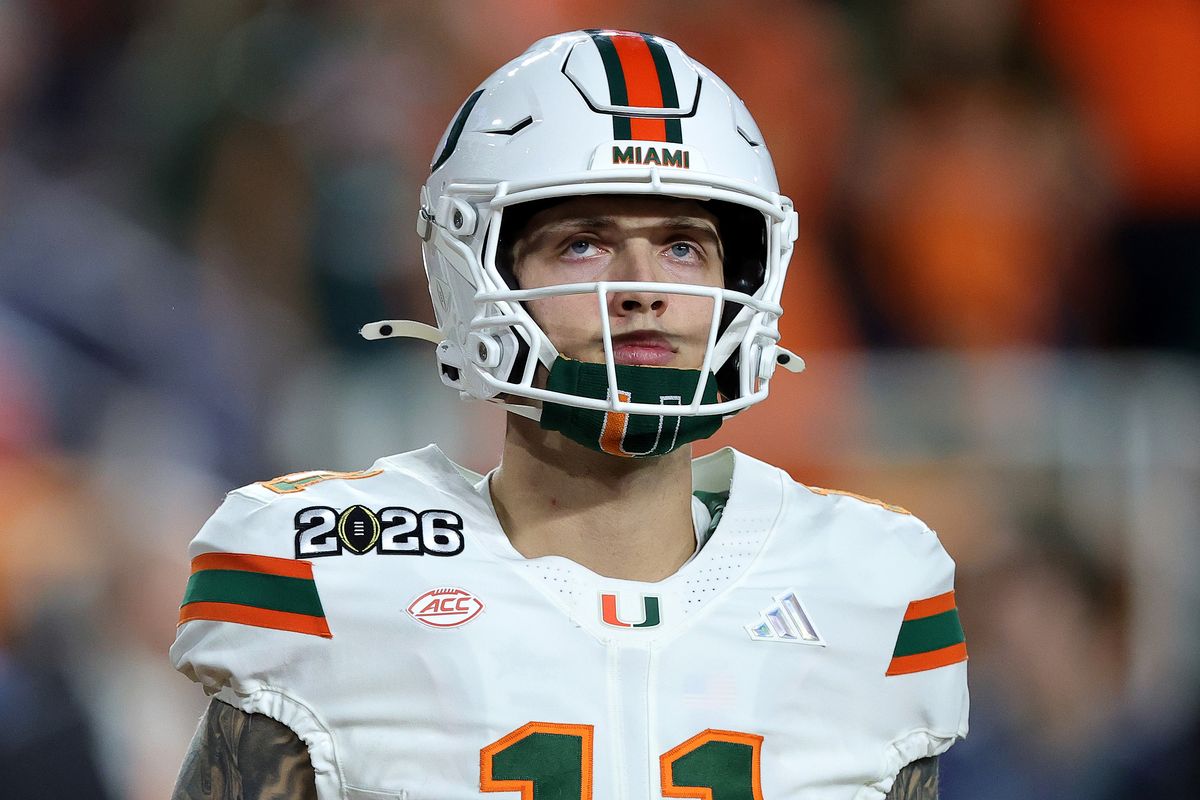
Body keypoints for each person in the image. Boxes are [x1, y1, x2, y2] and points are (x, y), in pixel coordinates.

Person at [170, 30, 968, 799]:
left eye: (684, 246)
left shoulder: (868, 589)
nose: (644, 286)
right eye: (584, 243)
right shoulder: (334, 577)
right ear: (477, 274)